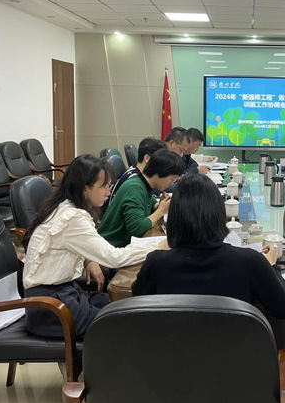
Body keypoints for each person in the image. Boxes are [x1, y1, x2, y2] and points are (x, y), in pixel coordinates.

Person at [21, 154, 163, 338]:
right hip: (50, 309)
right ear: (85, 188)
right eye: (103, 186)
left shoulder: (64, 206)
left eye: (109, 186)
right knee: (126, 323)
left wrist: (88, 260)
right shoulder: (72, 218)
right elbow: (113, 258)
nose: (108, 192)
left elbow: (74, 243)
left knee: (123, 307)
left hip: (62, 294)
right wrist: (158, 246)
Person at [131, 173, 285, 320]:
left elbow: (136, 299)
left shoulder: (157, 263)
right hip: (234, 347)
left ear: (174, 217)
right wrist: (271, 266)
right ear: (219, 213)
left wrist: (162, 254)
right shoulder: (249, 261)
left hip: (174, 346)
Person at [99, 150, 185, 246]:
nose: (171, 184)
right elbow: (136, 228)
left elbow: (150, 203)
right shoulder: (134, 188)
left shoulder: (143, 183)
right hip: (111, 246)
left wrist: (159, 205)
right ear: (161, 172)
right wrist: (161, 211)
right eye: (172, 179)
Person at [104, 137, 166, 210]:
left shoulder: (138, 173)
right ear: (147, 158)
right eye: (161, 161)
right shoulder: (134, 181)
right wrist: (161, 210)